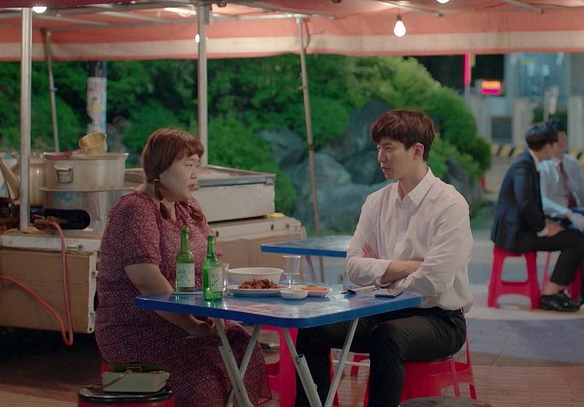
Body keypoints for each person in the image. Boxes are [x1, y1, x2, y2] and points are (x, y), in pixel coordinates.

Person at [294, 109, 472, 407]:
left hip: (440, 319)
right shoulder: (376, 202)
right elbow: (354, 267)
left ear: (417, 151)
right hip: (381, 310)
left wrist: (382, 275)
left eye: (389, 148)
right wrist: (408, 267)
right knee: (313, 328)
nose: (380, 157)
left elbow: (435, 280)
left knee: (388, 337)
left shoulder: (449, 204)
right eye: (378, 148)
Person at [95, 128, 271, 407]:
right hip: (141, 328)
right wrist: (192, 325)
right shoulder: (136, 209)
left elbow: (211, 262)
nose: (195, 174)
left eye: (197, 165)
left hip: (190, 319)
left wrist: (212, 314)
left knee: (243, 345)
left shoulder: (187, 206)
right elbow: (147, 281)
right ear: (161, 168)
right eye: (188, 165)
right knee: (205, 370)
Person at [491, 122, 584, 312]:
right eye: (554, 144)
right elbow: (525, 202)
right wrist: (543, 228)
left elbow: (530, 204)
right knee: (576, 239)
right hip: (515, 235)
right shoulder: (523, 166)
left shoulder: (529, 162)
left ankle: (555, 290)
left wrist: (546, 223)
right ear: (547, 146)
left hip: (520, 230)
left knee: (571, 235)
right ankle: (551, 293)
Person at [538, 118, 584, 303]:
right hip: (558, 217)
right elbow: (543, 201)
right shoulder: (543, 166)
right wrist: (567, 213)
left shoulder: (572, 163)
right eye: (557, 138)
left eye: (564, 136)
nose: (562, 141)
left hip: (578, 213)